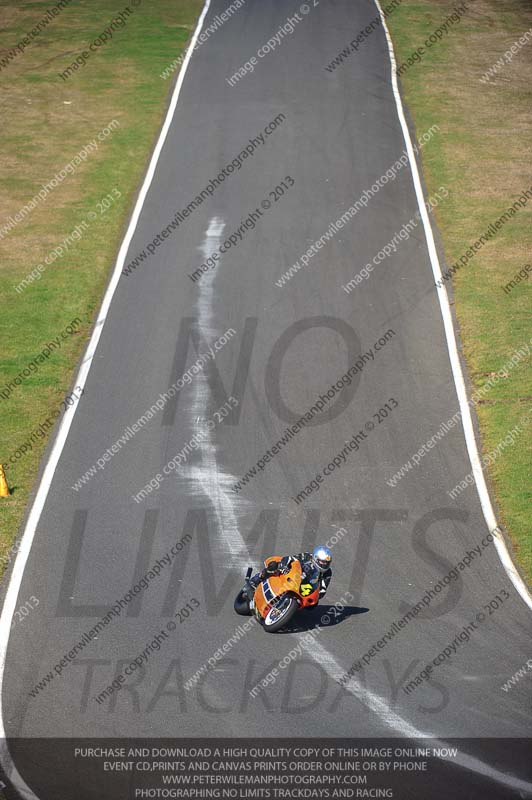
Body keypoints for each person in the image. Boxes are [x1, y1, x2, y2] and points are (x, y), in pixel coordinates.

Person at [250, 545, 333, 599]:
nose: (324, 564)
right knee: (274, 566)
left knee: (313, 605)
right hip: (291, 573)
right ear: (315, 558)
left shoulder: (327, 572)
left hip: (304, 585)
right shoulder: (307, 556)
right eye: (322, 562)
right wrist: (284, 566)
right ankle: (257, 579)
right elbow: (290, 558)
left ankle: (289, 610)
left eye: (326, 563)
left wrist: (316, 594)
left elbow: (323, 589)